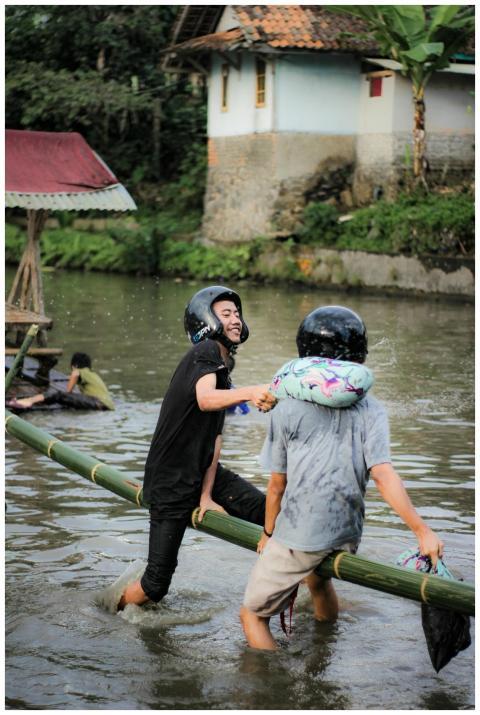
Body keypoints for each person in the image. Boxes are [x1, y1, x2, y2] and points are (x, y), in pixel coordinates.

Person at [240, 305, 444, 651]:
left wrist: (268, 534)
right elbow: (382, 474)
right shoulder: (372, 408)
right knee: (317, 582)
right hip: (348, 530)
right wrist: (422, 531)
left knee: (252, 616)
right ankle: (324, 650)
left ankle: (276, 688)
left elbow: (277, 485)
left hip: (302, 533)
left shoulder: (284, 407)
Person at [119, 285, 275, 610]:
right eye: (226, 313)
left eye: (237, 313)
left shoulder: (223, 368)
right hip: (171, 481)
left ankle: (299, 587)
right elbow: (205, 400)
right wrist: (251, 392)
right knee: (156, 585)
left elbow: (215, 440)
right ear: (206, 320)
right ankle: (109, 609)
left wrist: (206, 496)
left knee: (273, 515)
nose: (235, 319)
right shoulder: (204, 351)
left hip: (204, 475)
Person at [7, 352, 114, 411]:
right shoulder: (93, 375)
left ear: (74, 365)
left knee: (58, 395)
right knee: (66, 398)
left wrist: (67, 392)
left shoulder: (80, 370)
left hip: (97, 403)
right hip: (105, 405)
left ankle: (28, 401)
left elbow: (75, 374)